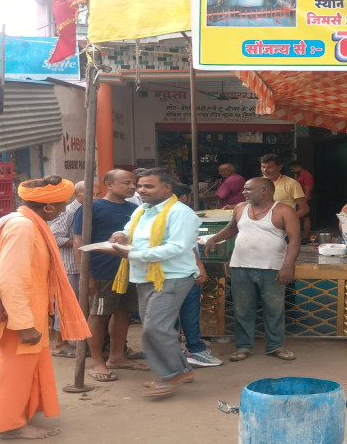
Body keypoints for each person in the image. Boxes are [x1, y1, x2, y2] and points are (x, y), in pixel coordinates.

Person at [0, 175, 90, 439]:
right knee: (14, 371)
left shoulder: (19, 221)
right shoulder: (23, 227)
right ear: (48, 207)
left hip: (28, 311)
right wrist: (23, 324)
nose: (65, 209)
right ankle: (9, 426)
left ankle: (22, 412)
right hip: (19, 315)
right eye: (63, 204)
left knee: (27, 367)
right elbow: (10, 278)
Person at [107, 168, 202, 397]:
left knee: (155, 327)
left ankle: (172, 375)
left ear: (167, 188)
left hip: (173, 276)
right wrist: (120, 235)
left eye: (148, 186)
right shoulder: (142, 209)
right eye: (140, 186)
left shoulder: (181, 213)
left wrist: (133, 254)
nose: (141, 190)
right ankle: (182, 370)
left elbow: (177, 247)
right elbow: (129, 231)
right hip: (144, 276)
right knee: (156, 327)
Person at [204, 177, 301, 362]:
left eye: (248, 189)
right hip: (240, 266)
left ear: (264, 190)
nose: (244, 192)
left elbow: (295, 239)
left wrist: (288, 265)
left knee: (274, 309)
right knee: (242, 309)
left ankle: (275, 346)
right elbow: (232, 228)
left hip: (271, 267)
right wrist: (214, 239)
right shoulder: (240, 208)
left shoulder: (284, 210)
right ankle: (244, 346)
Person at [74, 170, 148, 382]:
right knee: (98, 316)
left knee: (124, 313)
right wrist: (86, 276)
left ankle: (117, 357)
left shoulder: (136, 210)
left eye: (134, 183)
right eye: (127, 183)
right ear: (108, 184)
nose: (133, 187)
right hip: (102, 271)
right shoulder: (92, 208)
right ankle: (97, 361)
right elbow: (79, 241)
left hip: (129, 270)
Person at [172, 183, 223, 367]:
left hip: (167, 271)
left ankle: (174, 352)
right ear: (185, 197)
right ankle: (195, 349)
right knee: (189, 310)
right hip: (184, 270)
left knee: (171, 314)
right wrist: (199, 266)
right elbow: (186, 243)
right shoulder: (183, 211)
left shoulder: (154, 212)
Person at [48, 180, 84, 357]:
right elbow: (54, 238)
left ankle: (70, 339)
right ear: (77, 195)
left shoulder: (84, 209)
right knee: (64, 305)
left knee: (75, 305)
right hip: (68, 266)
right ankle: (59, 343)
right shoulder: (69, 211)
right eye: (91, 193)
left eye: (98, 193)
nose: (95, 197)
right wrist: (79, 243)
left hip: (78, 266)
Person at [260, 154, 309, 219]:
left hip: (282, 224)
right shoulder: (257, 183)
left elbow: (304, 209)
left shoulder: (292, 184)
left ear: (279, 167)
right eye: (263, 167)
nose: (265, 170)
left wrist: (287, 220)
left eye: (270, 167)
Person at [289, 161, 314, 241]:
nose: (292, 171)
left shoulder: (307, 176)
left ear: (298, 167)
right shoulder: (300, 176)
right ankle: (299, 236)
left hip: (305, 200)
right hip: (299, 200)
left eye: (292, 169)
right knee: (299, 219)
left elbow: (308, 190)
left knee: (306, 218)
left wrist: (304, 202)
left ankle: (306, 237)